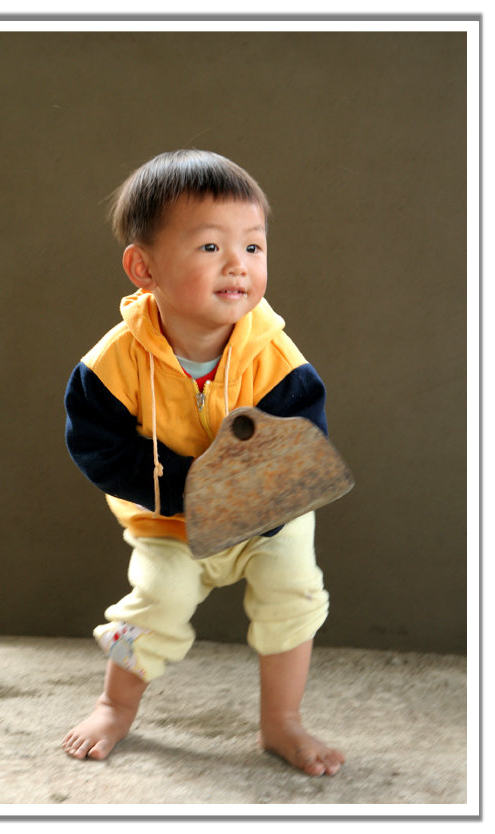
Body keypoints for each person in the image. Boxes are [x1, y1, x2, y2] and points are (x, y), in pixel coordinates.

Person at [62, 150, 345, 776]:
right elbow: (97, 447)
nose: (238, 264)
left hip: (267, 515)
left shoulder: (277, 359)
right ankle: (114, 705)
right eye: (211, 247)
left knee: (294, 592)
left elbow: (301, 447)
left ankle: (282, 721)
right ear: (144, 268)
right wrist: (186, 492)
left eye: (254, 246)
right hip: (168, 520)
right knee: (156, 602)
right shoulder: (112, 365)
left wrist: (255, 504)